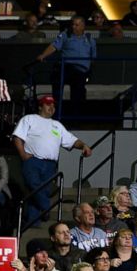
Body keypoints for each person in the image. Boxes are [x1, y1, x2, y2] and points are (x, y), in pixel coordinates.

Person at [13, 95, 92, 227]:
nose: (51, 107)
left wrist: (83, 145)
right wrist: (23, 155)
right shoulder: (29, 119)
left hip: (50, 164)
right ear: (40, 106)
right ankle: (46, 208)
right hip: (33, 161)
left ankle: (34, 223)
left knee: (40, 191)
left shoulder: (57, 125)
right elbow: (17, 137)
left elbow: (72, 140)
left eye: (53, 105)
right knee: (34, 185)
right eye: (48, 104)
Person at [36, 15, 96, 105]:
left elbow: (93, 58)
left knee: (79, 91)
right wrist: (43, 55)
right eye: (73, 24)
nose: (73, 27)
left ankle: (76, 113)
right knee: (57, 75)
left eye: (76, 25)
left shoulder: (90, 39)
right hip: (66, 67)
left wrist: (89, 71)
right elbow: (53, 46)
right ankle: (56, 106)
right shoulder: (65, 35)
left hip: (81, 71)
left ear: (83, 26)